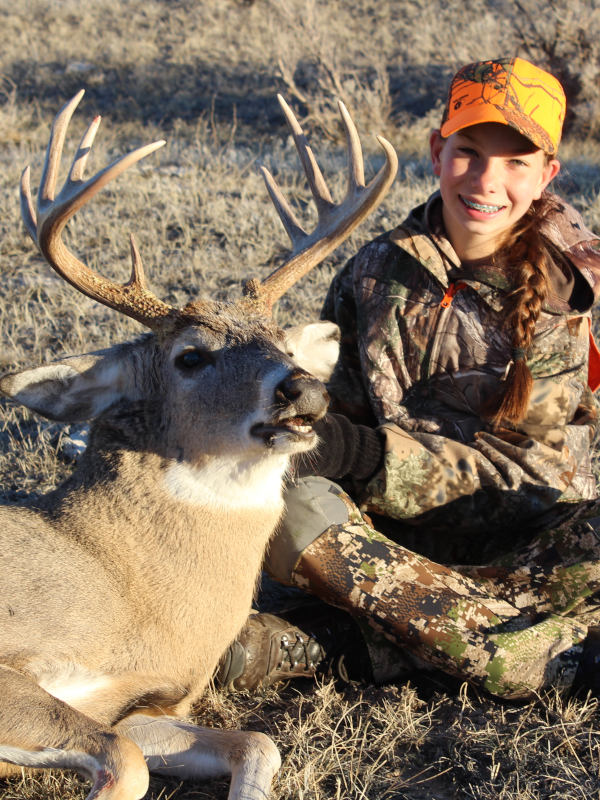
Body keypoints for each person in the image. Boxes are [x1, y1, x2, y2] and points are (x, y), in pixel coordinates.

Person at [217, 57, 600, 699]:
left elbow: (531, 480)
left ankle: (344, 642)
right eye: (468, 152)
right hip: (386, 542)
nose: (486, 180)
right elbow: (338, 416)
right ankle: (533, 650)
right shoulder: (372, 273)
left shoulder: (564, 297)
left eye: (515, 163)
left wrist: (364, 456)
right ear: (436, 151)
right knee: (290, 508)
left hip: (529, 546)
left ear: (547, 176)